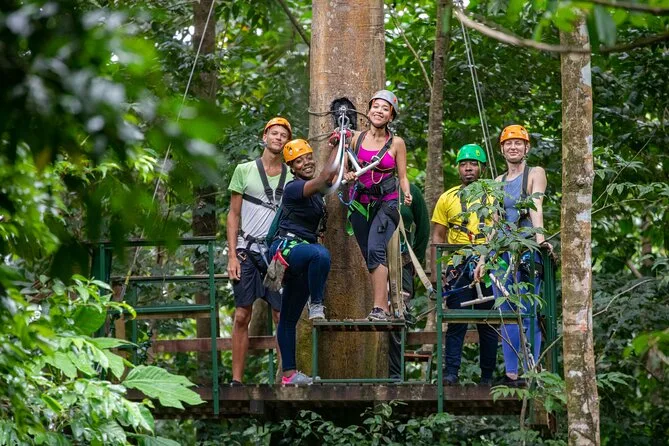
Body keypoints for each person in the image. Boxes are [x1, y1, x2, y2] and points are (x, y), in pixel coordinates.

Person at [474, 124, 550, 387]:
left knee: (529, 310)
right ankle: (511, 373)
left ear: (527, 147)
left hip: (527, 248)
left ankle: (532, 369)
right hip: (502, 252)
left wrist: (540, 241)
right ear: (502, 149)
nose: (513, 147)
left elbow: (536, 204)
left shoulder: (535, 173)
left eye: (518, 143)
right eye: (508, 143)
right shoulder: (497, 182)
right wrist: (483, 258)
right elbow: (495, 223)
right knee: (505, 311)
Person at [226, 117, 291, 386]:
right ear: (264, 137)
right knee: (242, 314)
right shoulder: (244, 170)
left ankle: (284, 378)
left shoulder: (292, 175)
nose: (278, 138)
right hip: (247, 251)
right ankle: (236, 380)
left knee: (280, 315)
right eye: (274, 133)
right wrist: (232, 255)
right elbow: (233, 214)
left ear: (287, 143)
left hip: (276, 254)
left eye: (283, 135)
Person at [268, 139, 338, 385]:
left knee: (288, 318)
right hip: (287, 248)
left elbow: (329, 179)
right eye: (299, 161)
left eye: (309, 157)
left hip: (303, 258)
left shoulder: (316, 194)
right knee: (320, 254)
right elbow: (325, 178)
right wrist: (339, 142)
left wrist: (337, 148)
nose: (306, 163)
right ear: (292, 168)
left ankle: (289, 375)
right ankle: (316, 304)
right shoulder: (293, 188)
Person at [430, 144, 498, 386]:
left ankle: (487, 376)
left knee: (488, 322)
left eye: (473, 164)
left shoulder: (494, 195)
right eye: (464, 164)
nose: (468, 168)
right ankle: (451, 373)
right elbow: (438, 236)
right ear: (458, 168)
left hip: (488, 264)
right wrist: (437, 273)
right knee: (457, 321)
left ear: (482, 168)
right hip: (458, 265)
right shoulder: (447, 198)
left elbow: (500, 229)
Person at [343, 90, 412, 321]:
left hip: (386, 203)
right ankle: (389, 298)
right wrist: (348, 174)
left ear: (391, 116)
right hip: (360, 203)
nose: (379, 111)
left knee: (375, 249)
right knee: (369, 253)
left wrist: (407, 193)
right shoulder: (356, 139)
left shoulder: (396, 143)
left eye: (385, 109)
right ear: (369, 110)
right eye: (376, 106)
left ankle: (380, 308)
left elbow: (402, 176)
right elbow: (344, 167)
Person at [388, 183, 429, 379]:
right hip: (373, 261)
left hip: (402, 261)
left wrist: (415, 261)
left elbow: (423, 228)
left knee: (398, 313)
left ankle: (395, 376)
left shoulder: (409, 191)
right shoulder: (366, 186)